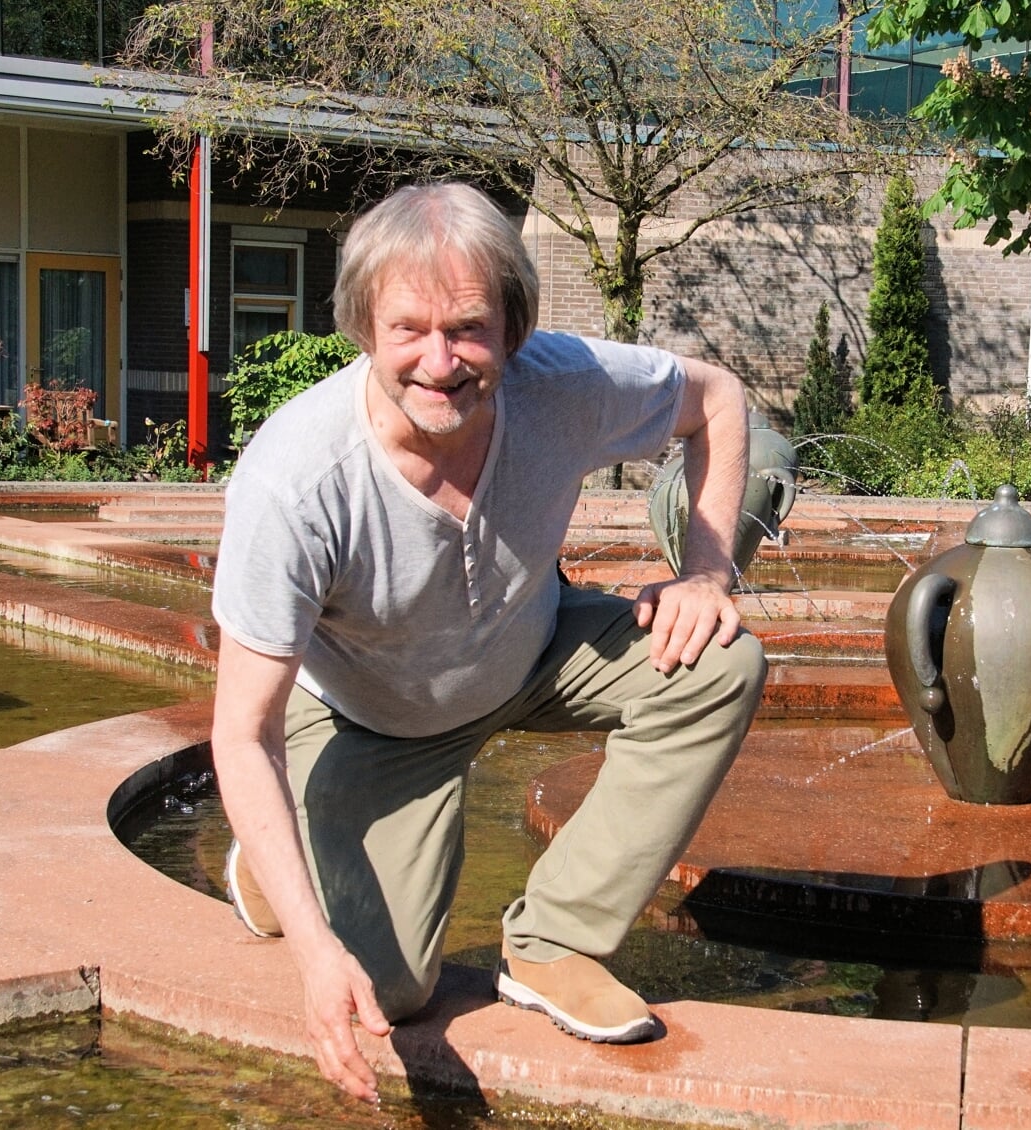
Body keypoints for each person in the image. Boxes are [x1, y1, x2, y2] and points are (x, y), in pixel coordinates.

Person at [207, 181, 766, 1102]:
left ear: (512, 326)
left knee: (719, 660)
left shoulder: (564, 385)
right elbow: (242, 732)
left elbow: (719, 400)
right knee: (388, 992)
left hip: (529, 651)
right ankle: (277, 862)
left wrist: (707, 570)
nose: (441, 361)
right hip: (371, 723)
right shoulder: (295, 485)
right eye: (409, 330)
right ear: (362, 327)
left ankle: (555, 943)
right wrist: (313, 951)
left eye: (468, 327)